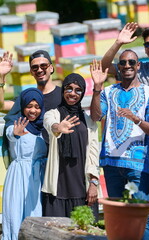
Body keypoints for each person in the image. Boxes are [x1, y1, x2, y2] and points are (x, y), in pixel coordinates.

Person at [100, 22, 149, 237]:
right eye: (147, 45)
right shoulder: (140, 69)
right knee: (146, 204)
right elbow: (104, 65)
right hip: (144, 147)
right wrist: (119, 42)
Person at [90, 54, 149, 240]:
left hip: (137, 164)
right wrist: (97, 89)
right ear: (118, 67)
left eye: (131, 62)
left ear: (138, 66)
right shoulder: (108, 91)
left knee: (141, 215)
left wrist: (136, 119)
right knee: (117, 216)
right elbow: (96, 116)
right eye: (123, 63)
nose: (127, 65)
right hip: (111, 164)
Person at [42, 73, 100, 219]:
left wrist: (93, 182)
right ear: (63, 91)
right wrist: (58, 127)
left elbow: (93, 152)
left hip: (82, 187)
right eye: (68, 89)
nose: (72, 93)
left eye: (77, 90)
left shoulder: (88, 120)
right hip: (58, 187)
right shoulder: (53, 114)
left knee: (83, 232)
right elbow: (49, 125)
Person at [1, 88, 47, 240]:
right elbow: (10, 134)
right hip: (19, 176)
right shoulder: (16, 124)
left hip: (39, 176)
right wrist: (15, 133)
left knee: (36, 211)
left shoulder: (44, 127)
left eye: (37, 106)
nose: (33, 110)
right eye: (29, 106)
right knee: (16, 211)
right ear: (22, 106)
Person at [0, 50, 61, 114]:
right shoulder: (27, 97)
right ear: (31, 72)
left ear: (51, 68)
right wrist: (0, 76)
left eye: (43, 66)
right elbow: (0, 107)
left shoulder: (64, 95)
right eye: (35, 67)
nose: (39, 70)